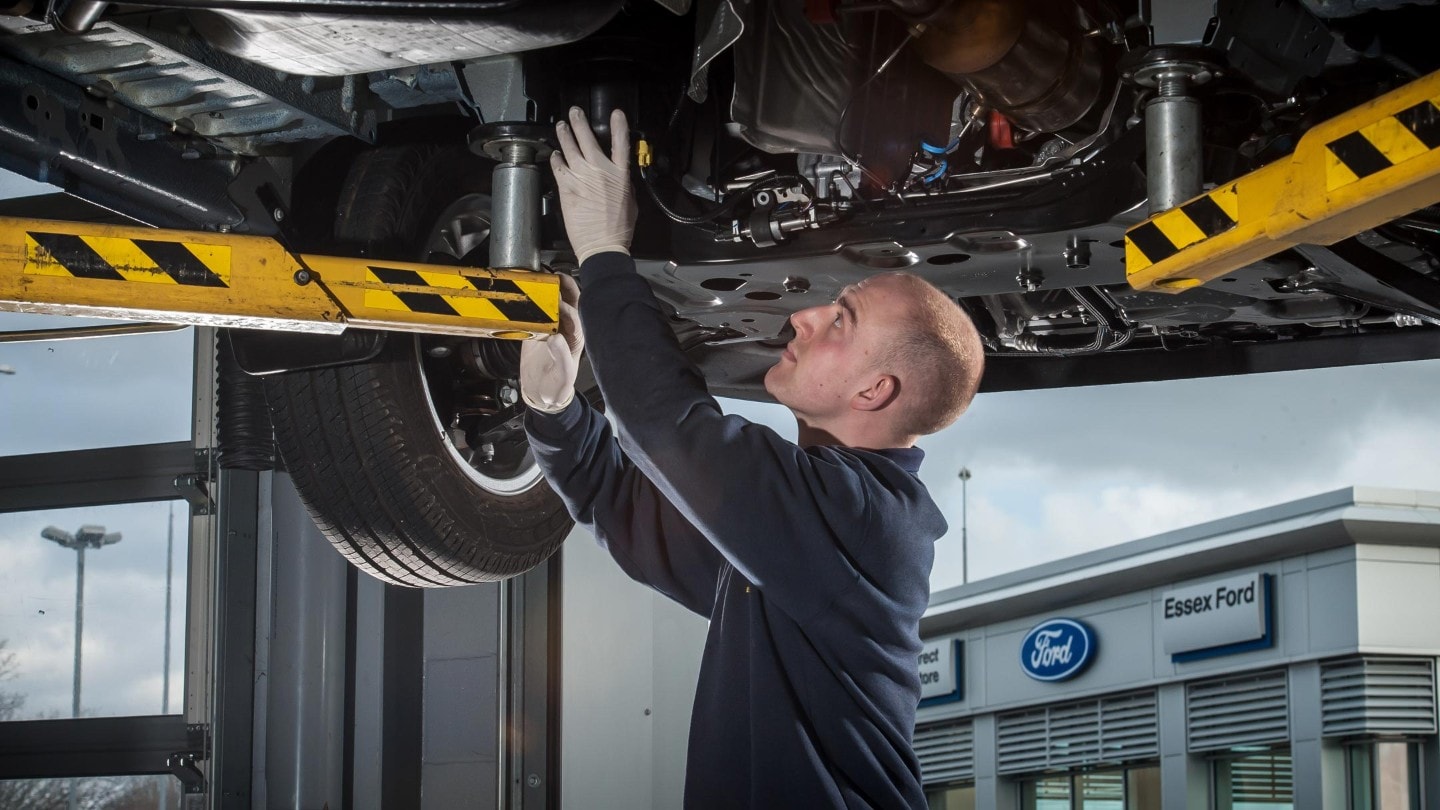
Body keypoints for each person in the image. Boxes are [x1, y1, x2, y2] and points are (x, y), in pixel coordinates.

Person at [519, 106, 985, 809]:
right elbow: (629, 515)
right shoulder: (801, 541)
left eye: (840, 321)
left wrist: (606, 255)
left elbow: (673, 427)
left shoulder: (864, 521)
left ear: (874, 389)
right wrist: (556, 417)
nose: (802, 316)